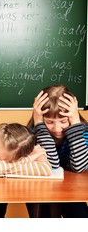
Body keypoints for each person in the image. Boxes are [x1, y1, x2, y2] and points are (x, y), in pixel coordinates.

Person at [26, 85, 88, 218]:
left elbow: (79, 167)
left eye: (63, 121)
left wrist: (76, 122)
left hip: (72, 190)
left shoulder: (82, 132)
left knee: (79, 218)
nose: (57, 128)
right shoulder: (32, 135)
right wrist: (38, 124)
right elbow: (52, 166)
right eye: (49, 122)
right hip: (41, 191)